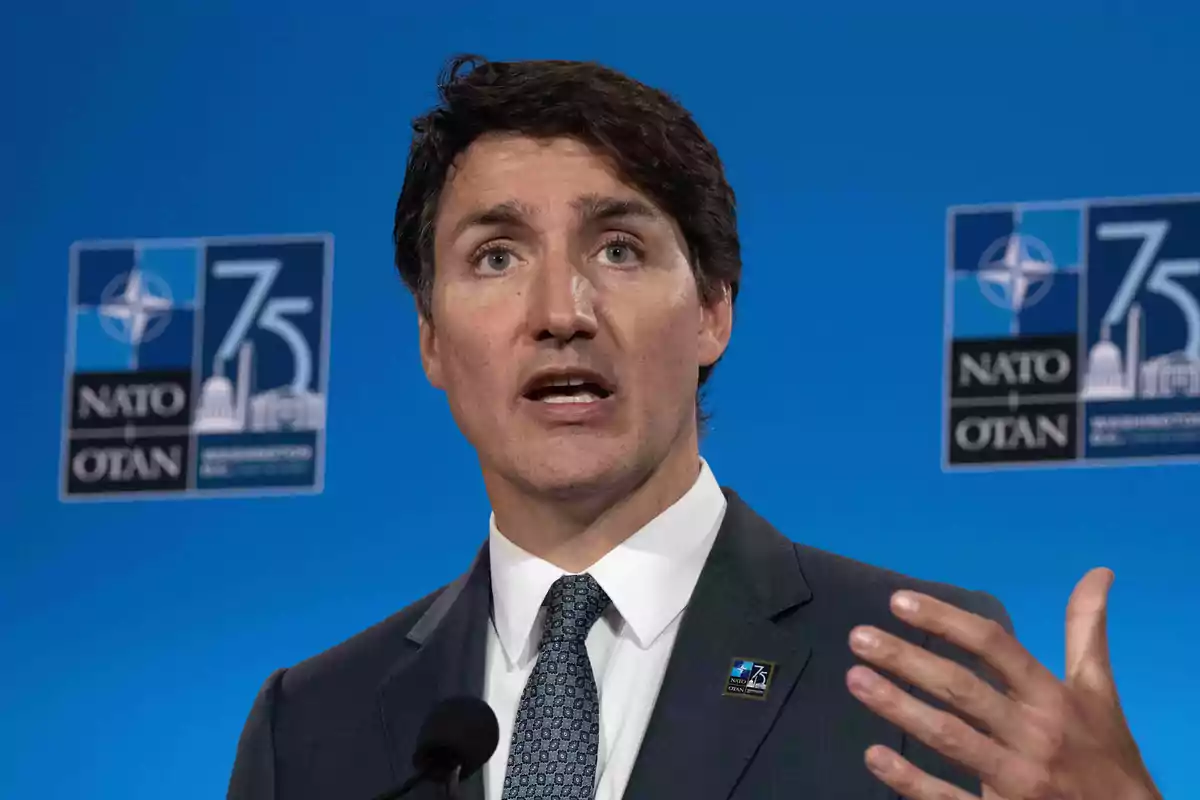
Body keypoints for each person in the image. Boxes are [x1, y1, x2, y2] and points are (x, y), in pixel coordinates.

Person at [227, 55, 1163, 800]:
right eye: (497, 255)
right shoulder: (309, 726)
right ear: (431, 339)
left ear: (714, 309)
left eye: (619, 248)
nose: (561, 309)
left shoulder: (916, 672)